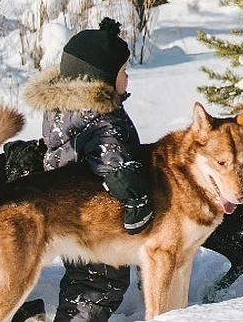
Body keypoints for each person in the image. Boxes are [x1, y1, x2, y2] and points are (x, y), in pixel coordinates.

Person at [25, 17, 153, 322]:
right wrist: (137, 205)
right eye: (123, 72)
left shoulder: (63, 109)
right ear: (101, 79)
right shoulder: (103, 118)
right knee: (100, 284)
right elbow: (117, 168)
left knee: (82, 278)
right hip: (95, 217)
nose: (128, 78)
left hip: (67, 211)